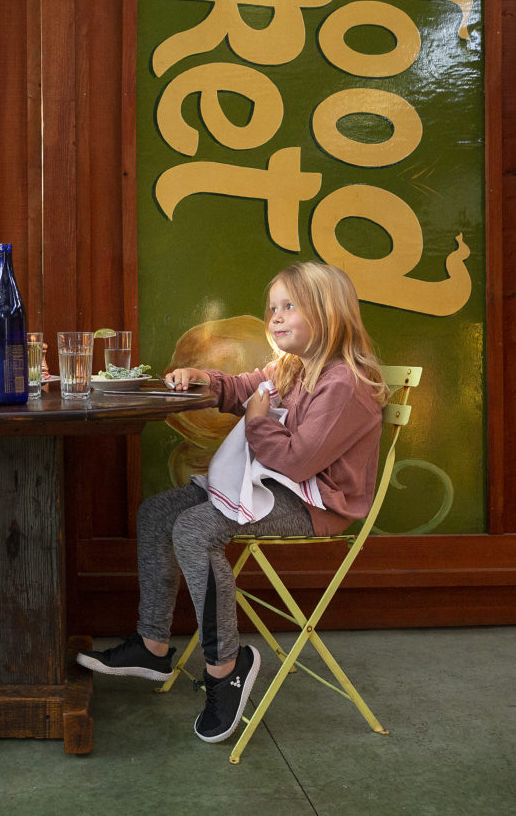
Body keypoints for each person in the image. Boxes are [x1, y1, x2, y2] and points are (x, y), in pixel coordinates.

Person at [76, 262, 389, 745]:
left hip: (316, 502)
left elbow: (299, 460)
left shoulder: (344, 384)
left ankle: (226, 667)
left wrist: (259, 420)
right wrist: (203, 378)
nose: (276, 317)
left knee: (194, 529)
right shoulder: (292, 367)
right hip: (277, 484)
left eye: (290, 307)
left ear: (328, 314)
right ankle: (154, 645)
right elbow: (246, 387)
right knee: (157, 513)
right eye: (273, 308)